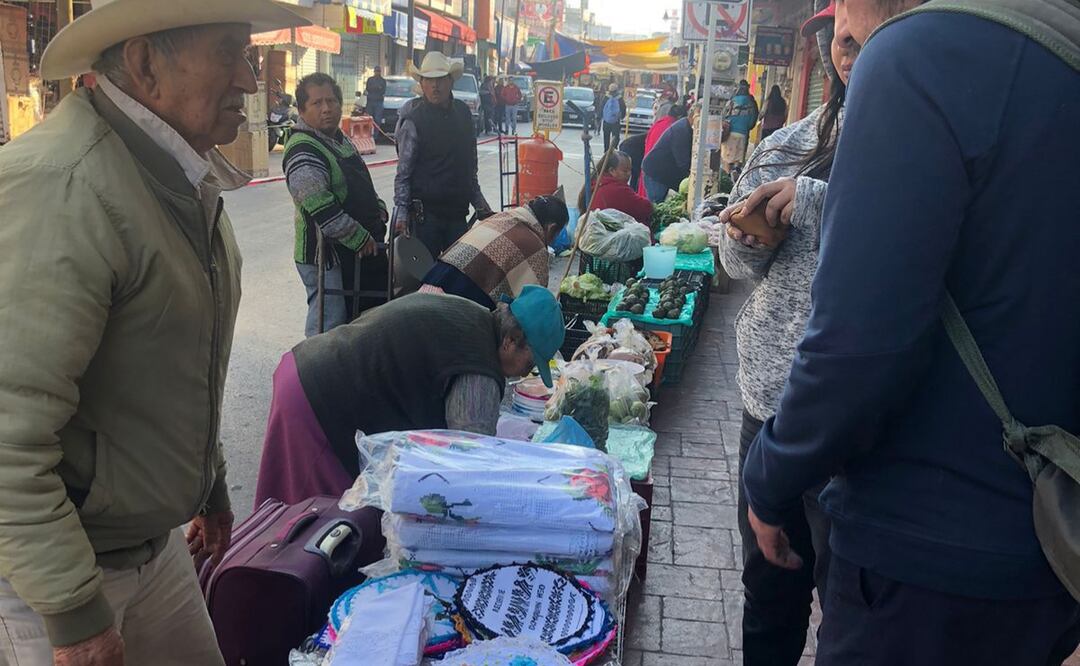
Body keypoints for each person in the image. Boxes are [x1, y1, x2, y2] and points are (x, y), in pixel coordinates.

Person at [742, 0, 1080, 664]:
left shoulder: (921, 56)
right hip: (1057, 541)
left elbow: (861, 346)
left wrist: (771, 478)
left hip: (927, 556)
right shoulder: (1056, 53)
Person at [0, 0, 309, 664]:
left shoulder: (175, 172)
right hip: (55, 574)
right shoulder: (67, 185)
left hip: (148, 545)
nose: (251, 81)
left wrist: (209, 483)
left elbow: (173, 359)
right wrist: (74, 614)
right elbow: (6, 438)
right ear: (144, 63)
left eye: (249, 55)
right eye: (229, 53)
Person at [703, 2, 852, 663]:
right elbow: (735, 266)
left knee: (848, 605)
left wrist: (814, 203)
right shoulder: (785, 145)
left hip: (858, 427)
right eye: (832, 28)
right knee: (768, 588)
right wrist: (746, 236)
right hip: (768, 407)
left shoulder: (918, 153)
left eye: (859, 26)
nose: (843, 41)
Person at [254, 288, 565, 505]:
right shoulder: (478, 367)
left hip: (305, 367)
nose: (522, 374)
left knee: (289, 511)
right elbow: (470, 456)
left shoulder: (472, 315)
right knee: (310, 525)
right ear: (511, 341)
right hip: (317, 401)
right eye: (529, 363)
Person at [284, 73, 389, 338]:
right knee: (327, 326)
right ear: (302, 109)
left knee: (355, 321)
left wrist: (378, 207)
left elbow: (361, 183)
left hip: (352, 252)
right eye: (317, 103)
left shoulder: (338, 139)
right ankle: (316, 376)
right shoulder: (302, 149)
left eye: (331, 101)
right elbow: (319, 205)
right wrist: (358, 236)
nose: (327, 108)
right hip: (325, 255)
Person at [395, 52, 493, 259]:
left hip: (457, 214)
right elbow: (403, 173)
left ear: (450, 81)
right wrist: (402, 213)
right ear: (421, 83)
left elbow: (469, 165)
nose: (434, 86)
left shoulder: (463, 114)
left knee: (457, 276)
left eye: (440, 80)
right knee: (424, 280)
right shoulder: (414, 120)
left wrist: (479, 202)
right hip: (425, 218)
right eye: (429, 80)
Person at [420, 195, 569, 308]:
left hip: (427, 287)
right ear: (552, 228)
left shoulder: (501, 217)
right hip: (452, 306)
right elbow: (530, 308)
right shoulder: (536, 247)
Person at [641, 102, 700, 203]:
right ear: (691, 116)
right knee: (657, 206)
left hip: (665, 172)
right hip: (656, 173)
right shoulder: (682, 130)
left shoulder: (687, 128)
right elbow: (683, 162)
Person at [580, 149, 654, 227]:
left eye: (630, 170)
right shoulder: (617, 189)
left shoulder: (598, 180)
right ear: (611, 170)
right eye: (625, 171)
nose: (629, 174)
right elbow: (646, 207)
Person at [637, 104, 686, 197]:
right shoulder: (672, 127)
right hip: (655, 171)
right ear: (679, 117)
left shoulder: (660, 123)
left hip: (649, 166)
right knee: (655, 203)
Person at [721, 80, 759, 175]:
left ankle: (727, 175)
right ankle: (736, 170)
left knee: (727, 157)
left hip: (730, 132)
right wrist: (747, 127)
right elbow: (753, 118)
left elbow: (723, 115)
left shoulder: (732, 100)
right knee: (738, 157)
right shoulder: (751, 102)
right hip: (743, 133)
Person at [601, 83, 625, 151]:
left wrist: (599, 117)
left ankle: (606, 150)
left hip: (606, 121)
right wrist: (622, 116)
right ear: (617, 90)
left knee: (606, 136)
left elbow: (601, 107)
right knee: (615, 136)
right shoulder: (619, 98)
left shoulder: (606, 97)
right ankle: (613, 148)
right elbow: (623, 107)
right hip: (616, 121)